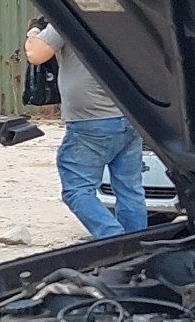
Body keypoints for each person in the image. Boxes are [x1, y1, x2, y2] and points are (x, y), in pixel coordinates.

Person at [24, 19, 147, 237]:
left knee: (76, 190)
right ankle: (137, 246)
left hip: (91, 121)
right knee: (130, 190)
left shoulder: (68, 15)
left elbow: (36, 54)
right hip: (130, 118)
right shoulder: (129, 20)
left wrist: (34, 31)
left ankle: (114, 239)